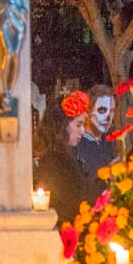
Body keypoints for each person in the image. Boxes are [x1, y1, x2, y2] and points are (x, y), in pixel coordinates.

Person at [34, 91, 88, 225]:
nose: (83, 131)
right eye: (78, 125)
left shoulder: (63, 156)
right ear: (62, 125)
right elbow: (72, 201)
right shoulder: (54, 163)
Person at [74, 84, 117, 205]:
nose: (109, 117)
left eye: (112, 111)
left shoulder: (109, 141)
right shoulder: (77, 144)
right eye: (102, 110)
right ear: (88, 111)